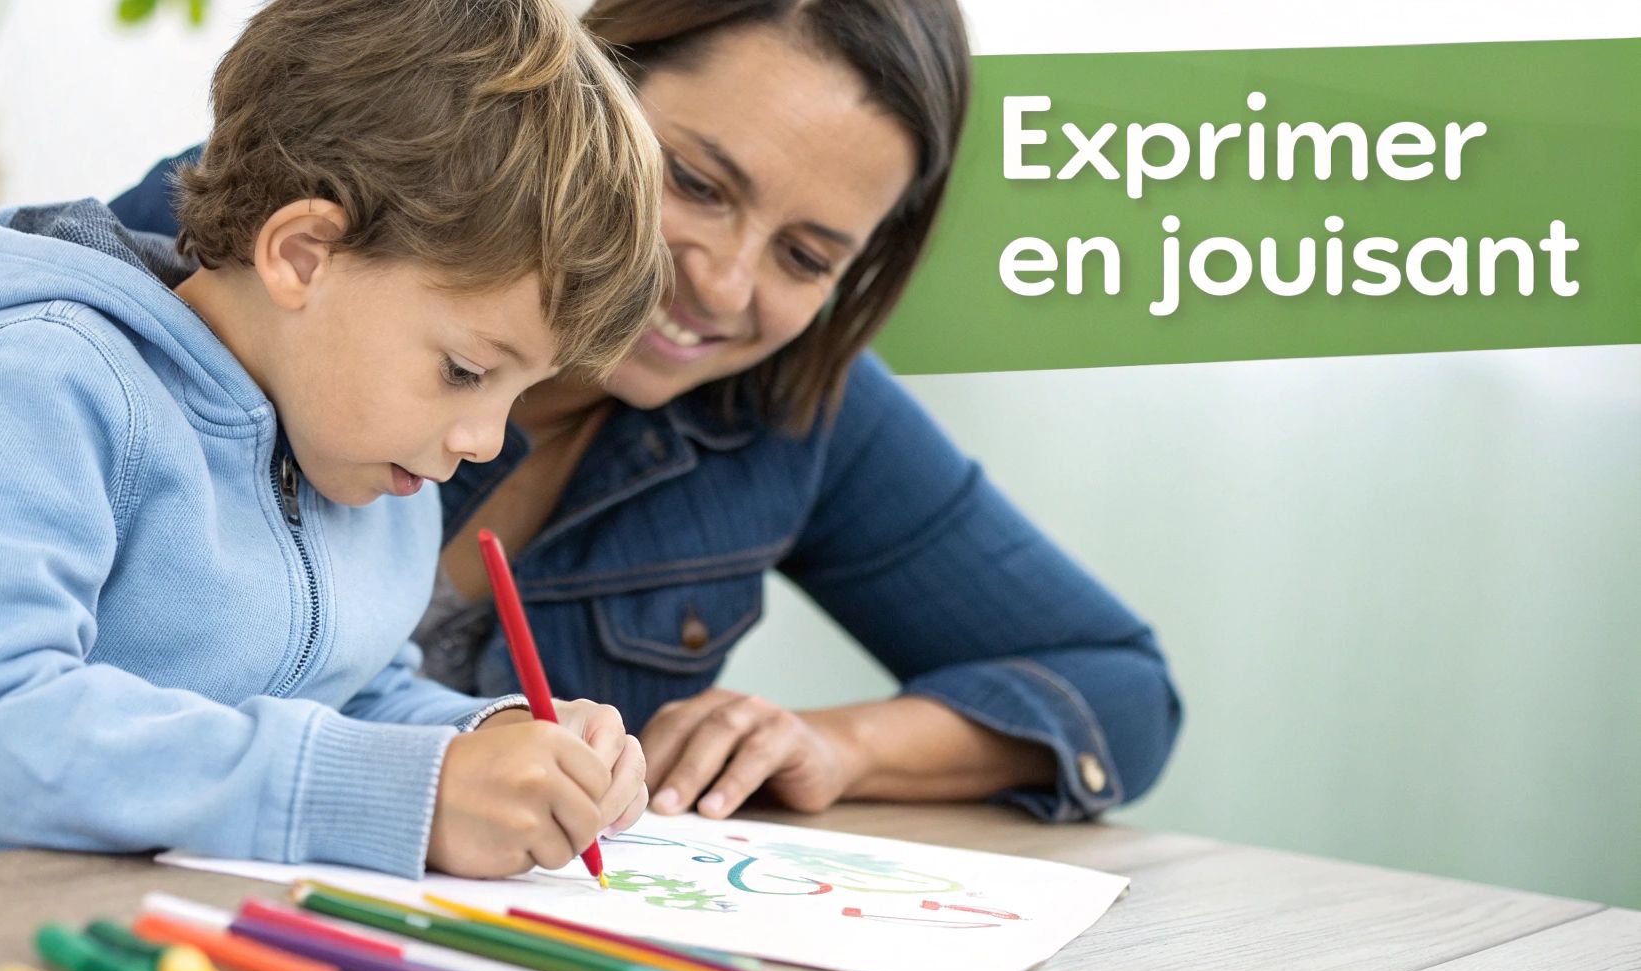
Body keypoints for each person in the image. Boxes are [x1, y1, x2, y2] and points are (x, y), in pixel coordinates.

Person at [112, 0, 1182, 828]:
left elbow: (1117, 689)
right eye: (696, 184)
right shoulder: (254, 249)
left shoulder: (793, 401)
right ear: (582, 94)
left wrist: (839, 746)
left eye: (807, 257)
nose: (721, 283)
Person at [0, 0, 669, 878]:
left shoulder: (370, 463)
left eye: (522, 391)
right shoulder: (37, 385)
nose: (487, 441)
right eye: (464, 370)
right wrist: (399, 792)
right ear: (302, 256)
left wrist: (489, 741)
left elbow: (353, 696)